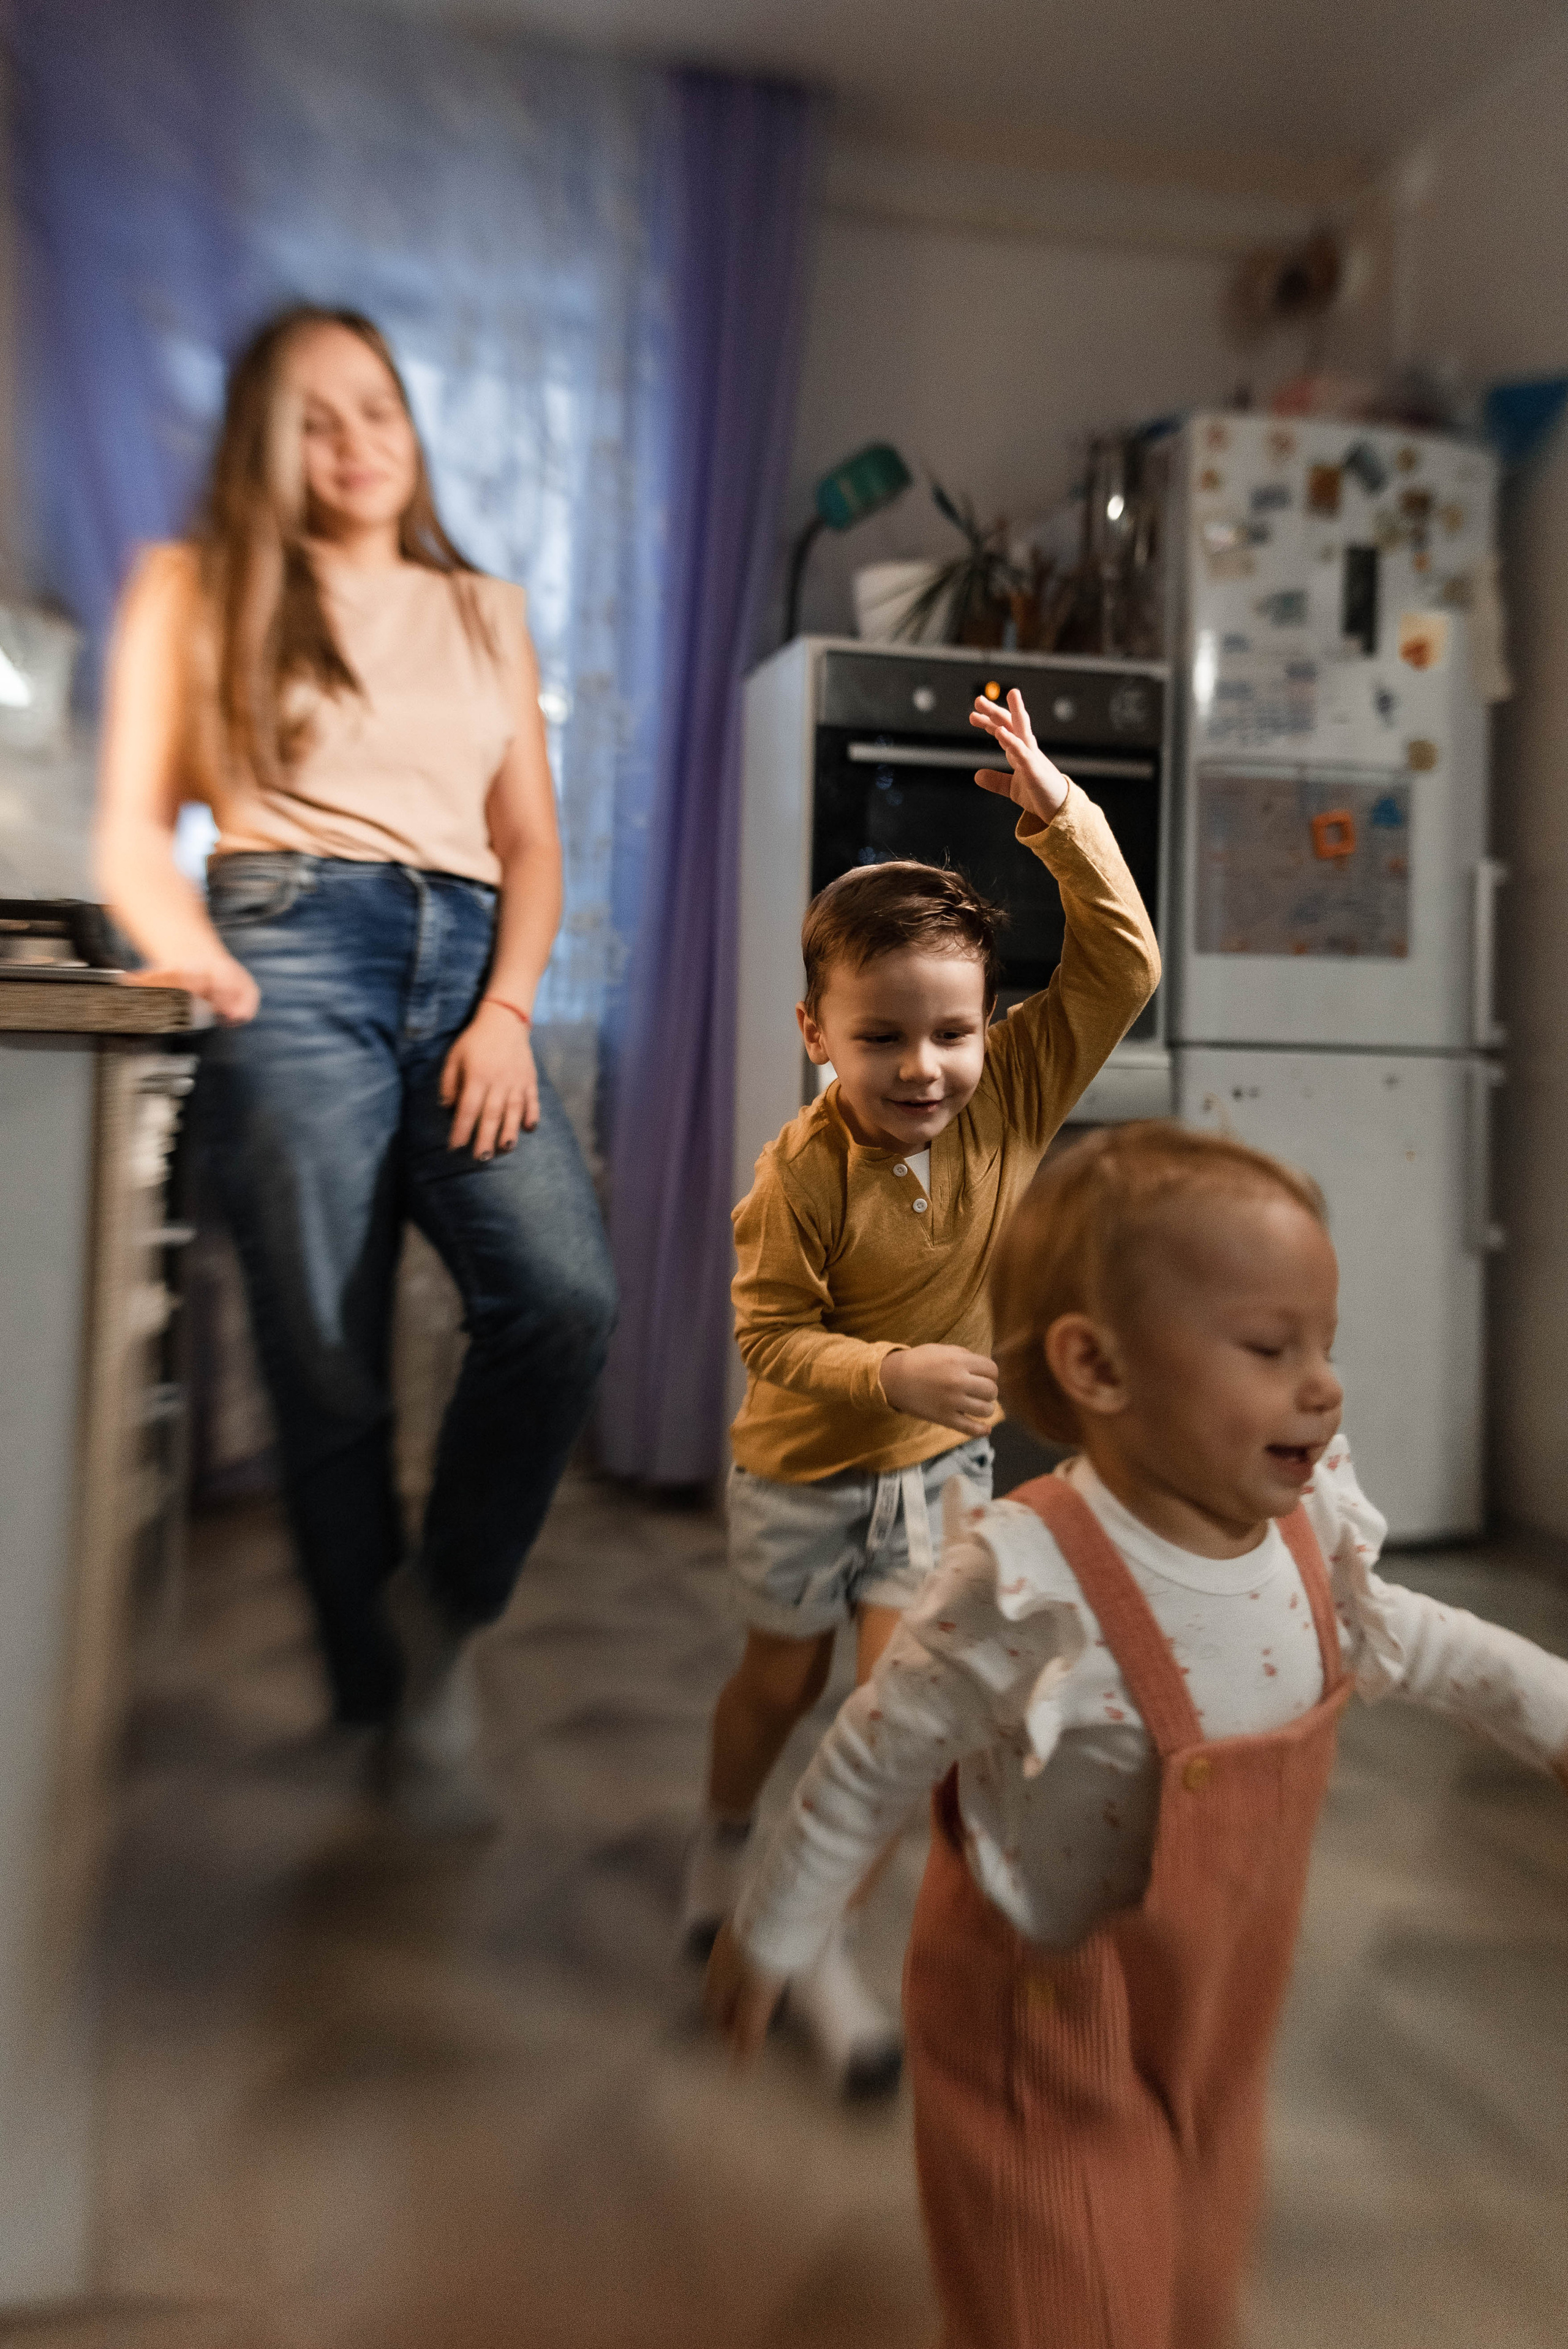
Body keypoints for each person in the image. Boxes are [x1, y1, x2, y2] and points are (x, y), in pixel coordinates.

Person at [705, 1121, 1568, 2346]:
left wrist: (1552, 1716)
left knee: (1187, 2272)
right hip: (1044, 2037)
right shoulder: (1026, 1584)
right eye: (1269, 1348)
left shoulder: (1308, 1537)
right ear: (1097, 1368)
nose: (1319, 1384)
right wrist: (778, 1928)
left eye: (1322, 1344)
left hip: (1217, 2012)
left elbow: (1424, 1646)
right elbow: (871, 1759)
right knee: (1067, 2302)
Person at [95, 305, 617, 1823]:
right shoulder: (191, 589)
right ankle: (384, 1697)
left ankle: (437, 1619)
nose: (357, 441)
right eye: (316, 416)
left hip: (468, 971)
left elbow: (529, 842)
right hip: (287, 953)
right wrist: (184, 945)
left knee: (561, 1298)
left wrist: (510, 1008)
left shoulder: (482, 607)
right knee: (325, 1358)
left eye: (379, 406)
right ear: (267, 439)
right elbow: (136, 823)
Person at [682, 689, 1161, 2091]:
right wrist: (887, 1367)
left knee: (894, 1717)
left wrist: (1060, 820)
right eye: (880, 1037)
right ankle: (717, 1843)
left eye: (947, 1033)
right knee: (777, 1687)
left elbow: (1121, 967)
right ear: (814, 1032)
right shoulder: (796, 1175)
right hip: (798, 1470)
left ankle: (811, 1940)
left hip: (931, 1476)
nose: (921, 1068)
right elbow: (768, 1335)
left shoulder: (1010, 1090)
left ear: (987, 1028)